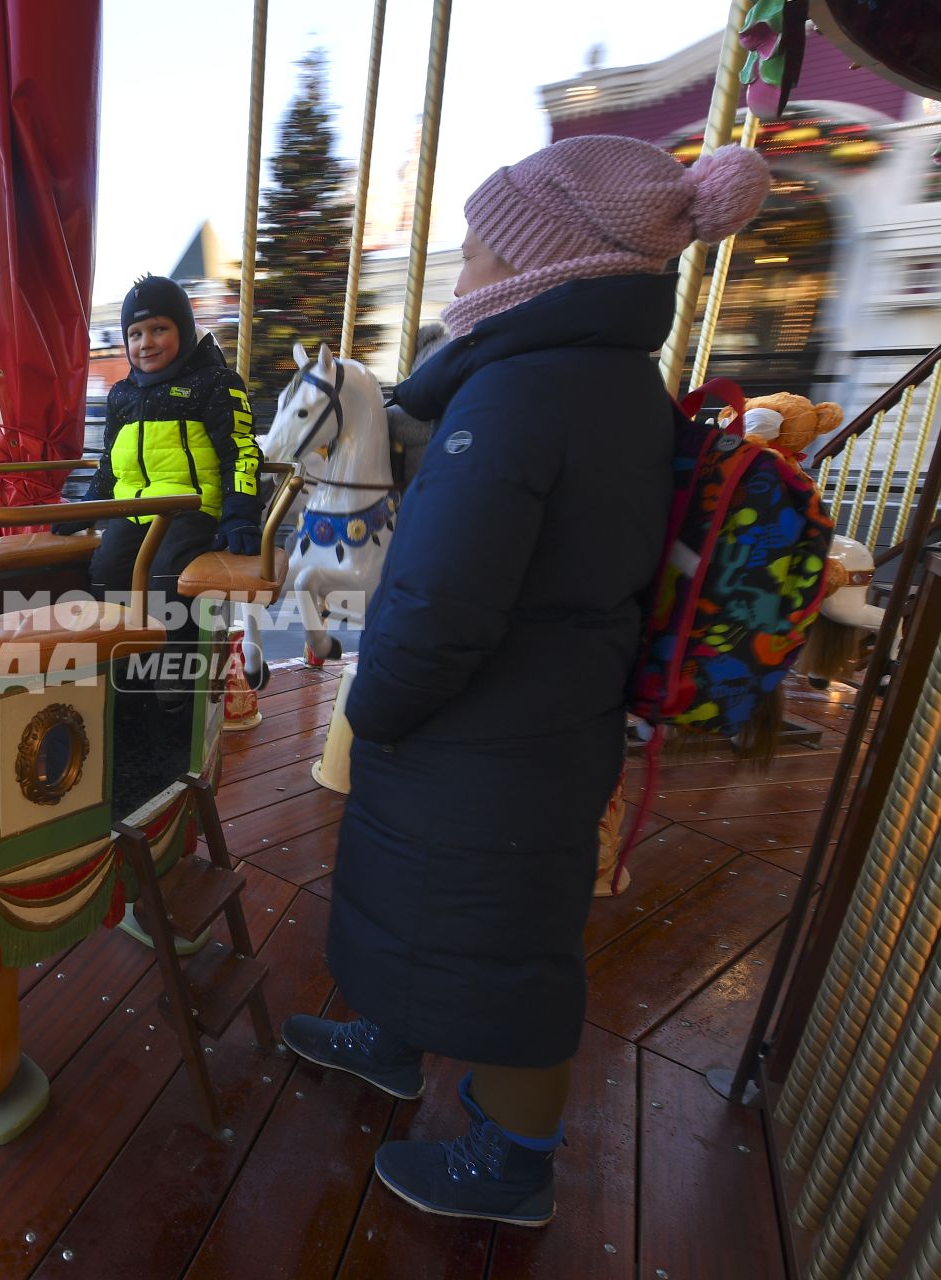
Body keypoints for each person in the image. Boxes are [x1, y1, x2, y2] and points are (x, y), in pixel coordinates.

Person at [279, 136, 771, 1226]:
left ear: (542, 262)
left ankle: (513, 1155)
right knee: (449, 906)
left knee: (499, 942)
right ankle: (394, 1036)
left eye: (476, 252)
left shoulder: (518, 398)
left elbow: (441, 600)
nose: (460, 277)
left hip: (491, 723)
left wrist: (377, 705)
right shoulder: (603, 377)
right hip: (540, 711)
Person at [58, 275, 262, 674]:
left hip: (189, 508)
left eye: (159, 329)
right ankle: (121, 678)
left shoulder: (215, 384)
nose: (145, 343)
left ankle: (174, 684)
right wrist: (84, 510)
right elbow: (110, 465)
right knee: (105, 572)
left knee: (165, 580)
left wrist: (240, 515)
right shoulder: (122, 395)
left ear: (184, 331)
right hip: (134, 510)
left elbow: (241, 452)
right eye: (135, 334)